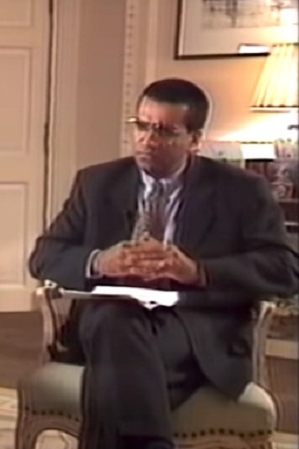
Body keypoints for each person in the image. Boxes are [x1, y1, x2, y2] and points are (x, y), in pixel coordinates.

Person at [28, 78, 299, 449]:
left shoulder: (240, 190)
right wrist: (100, 261)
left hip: (192, 325)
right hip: (108, 318)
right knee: (114, 319)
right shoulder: (97, 182)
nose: (147, 140)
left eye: (165, 131)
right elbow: (44, 255)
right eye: (141, 126)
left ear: (195, 139)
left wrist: (198, 271)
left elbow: (284, 270)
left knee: (113, 373)